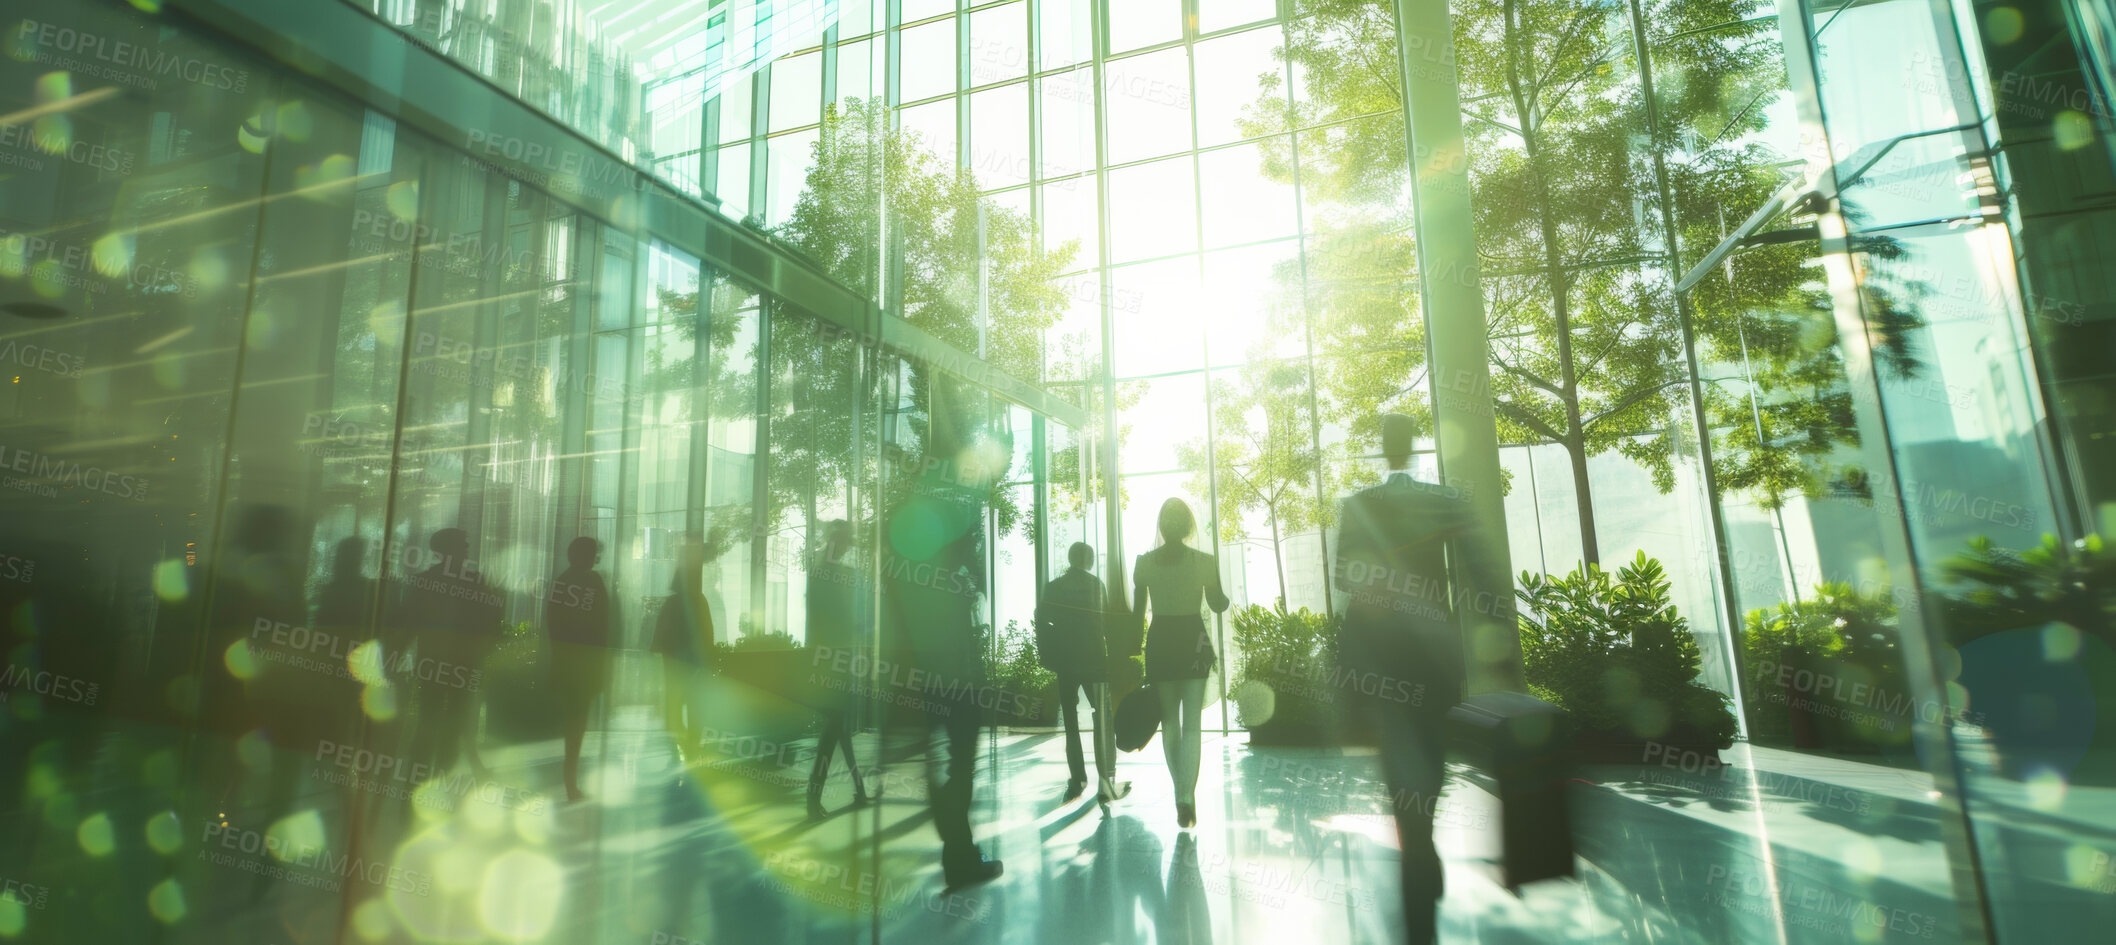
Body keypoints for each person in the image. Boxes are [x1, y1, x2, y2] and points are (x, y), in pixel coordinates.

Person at [1332, 413, 1475, 945]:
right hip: (1434, 657)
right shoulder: (1445, 500)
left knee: (1401, 762)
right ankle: (1421, 838)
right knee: (1432, 757)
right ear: (1412, 447)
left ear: (1382, 448)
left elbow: (1346, 575)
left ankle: (1416, 837)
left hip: (1382, 663)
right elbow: (1478, 568)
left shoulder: (1359, 506)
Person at [880, 416, 1003, 890]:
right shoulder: (954, 528)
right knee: (959, 762)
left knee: (940, 765)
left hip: (919, 670)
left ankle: (958, 849)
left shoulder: (902, 530)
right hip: (953, 671)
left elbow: (894, 601)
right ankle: (959, 852)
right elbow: (965, 596)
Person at [1132, 498, 1229, 829]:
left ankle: (1179, 793)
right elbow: (1218, 605)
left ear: (1161, 526)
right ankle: (1187, 795)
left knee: (1170, 723)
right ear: (1189, 526)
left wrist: (1131, 649)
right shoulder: (1204, 561)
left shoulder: (1144, 563)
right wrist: (1218, 589)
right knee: (1192, 725)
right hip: (1192, 640)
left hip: (1161, 642)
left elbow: (1136, 615)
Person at [396, 527, 504, 777]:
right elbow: (493, 621)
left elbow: (409, 623)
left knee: (428, 718)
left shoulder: (425, 581)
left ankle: (419, 777)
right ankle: (441, 774)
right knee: (454, 721)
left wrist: (396, 655)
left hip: (432, 662)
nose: (467, 549)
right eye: (463, 544)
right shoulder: (475, 581)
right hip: (463, 665)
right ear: (451, 549)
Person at [1036, 541, 1129, 803]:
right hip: (1094, 658)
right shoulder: (1095, 585)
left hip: (1066, 660)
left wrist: (1051, 649)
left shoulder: (1054, 587)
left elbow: (1041, 616)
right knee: (1103, 717)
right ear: (1088, 561)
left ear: (1069, 558)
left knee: (1071, 722)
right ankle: (1106, 779)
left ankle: (1077, 779)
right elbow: (1106, 623)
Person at [805, 520, 871, 818]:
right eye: (846, 543)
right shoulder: (831, 574)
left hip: (829, 655)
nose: (847, 548)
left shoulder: (823, 571)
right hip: (835, 658)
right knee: (834, 730)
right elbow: (837, 617)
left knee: (840, 727)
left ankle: (860, 788)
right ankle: (812, 796)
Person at [546, 536, 611, 802]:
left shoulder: (561, 582)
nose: (594, 558)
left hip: (568, 663)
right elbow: (604, 624)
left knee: (573, 722)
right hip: (585, 665)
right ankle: (571, 784)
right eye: (592, 553)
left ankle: (570, 782)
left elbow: (553, 626)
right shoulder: (592, 582)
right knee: (578, 722)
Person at [654, 536, 714, 757]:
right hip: (694, 664)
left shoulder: (673, 603)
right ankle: (691, 745)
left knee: (675, 706)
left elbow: (660, 636)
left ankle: (681, 746)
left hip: (674, 664)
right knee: (695, 707)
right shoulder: (700, 601)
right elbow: (708, 634)